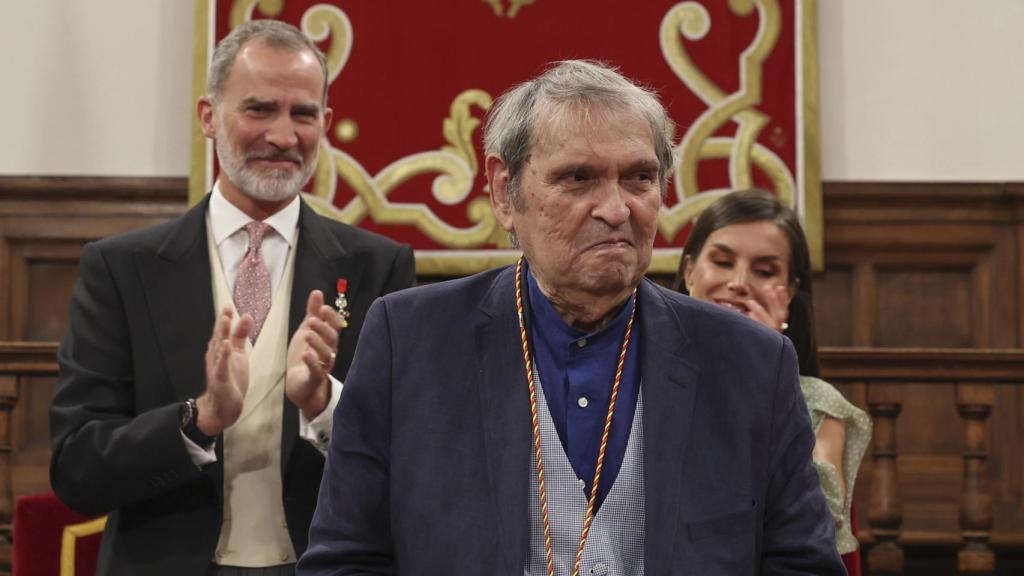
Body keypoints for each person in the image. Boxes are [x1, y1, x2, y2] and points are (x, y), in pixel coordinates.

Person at [298, 60, 844, 575]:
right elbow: (346, 559)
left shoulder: (751, 363)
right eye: (578, 179)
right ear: (503, 191)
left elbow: (802, 565)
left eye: (638, 179)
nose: (615, 210)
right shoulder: (409, 340)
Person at [50, 19, 415, 576]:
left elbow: (414, 461)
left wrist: (323, 406)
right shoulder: (122, 269)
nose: (284, 136)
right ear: (207, 117)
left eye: (303, 114)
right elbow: (78, 468)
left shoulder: (377, 267)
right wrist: (200, 419)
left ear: (326, 124)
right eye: (260, 109)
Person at [674, 188, 871, 572]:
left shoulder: (818, 404)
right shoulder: (634, 375)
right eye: (722, 262)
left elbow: (816, 530)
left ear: (791, 292)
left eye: (765, 271)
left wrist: (759, 365)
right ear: (689, 271)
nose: (740, 283)